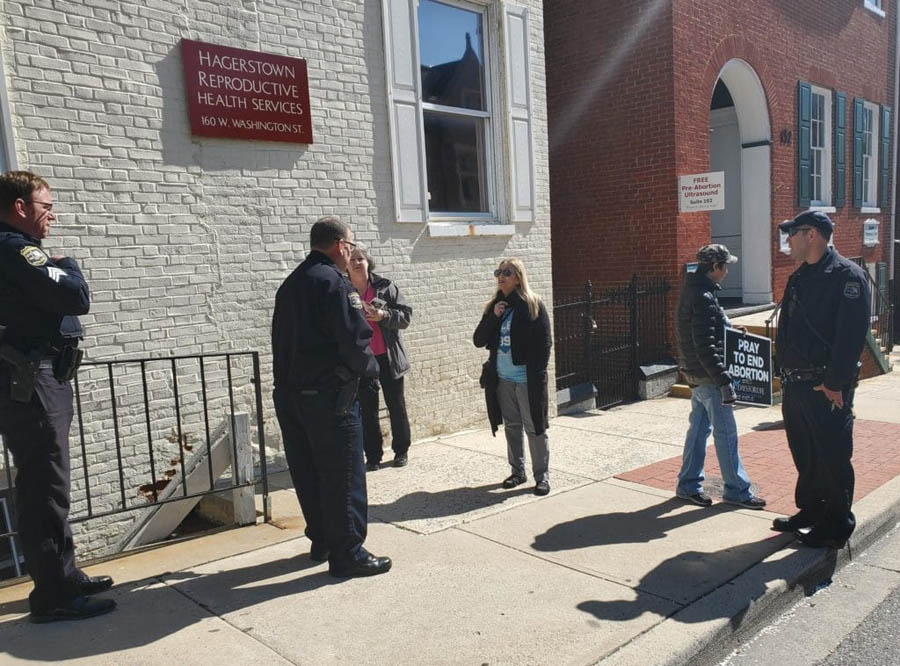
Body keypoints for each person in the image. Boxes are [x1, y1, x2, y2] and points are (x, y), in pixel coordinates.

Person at [0, 170, 116, 622]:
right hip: (31, 379)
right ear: (20, 208)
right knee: (44, 487)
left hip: (40, 377)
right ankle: (53, 596)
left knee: (51, 484)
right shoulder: (16, 249)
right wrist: (69, 266)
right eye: (45, 206)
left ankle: (65, 576)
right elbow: (75, 296)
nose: (52, 214)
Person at [271, 215, 391, 577]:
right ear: (340, 246)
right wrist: (370, 372)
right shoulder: (335, 285)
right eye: (351, 245)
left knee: (308, 471)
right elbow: (355, 341)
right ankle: (348, 552)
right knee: (342, 474)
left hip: (291, 396)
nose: (352, 251)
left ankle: (322, 539)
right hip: (329, 396)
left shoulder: (290, 284)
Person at [774, 210, 870, 549]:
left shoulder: (847, 277)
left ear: (811, 235)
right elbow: (787, 327)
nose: (788, 242)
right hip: (796, 384)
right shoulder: (800, 276)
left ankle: (836, 525)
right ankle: (813, 510)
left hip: (825, 387)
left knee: (832, 456)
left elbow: (851, 338)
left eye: (792, 235)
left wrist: (835, 383)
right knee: (806, 453)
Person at [674, 244, 766, 510]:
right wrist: (724, 381)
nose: (727, 271)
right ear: (715, 267)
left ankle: (688, 484)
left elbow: (705, 334)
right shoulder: (702, 296)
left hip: (695, 375)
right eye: (725, 266)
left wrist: (731, 331)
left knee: (698, 431)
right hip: (709, 377)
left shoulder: (693, 291)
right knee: (726, 435)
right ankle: (737, 490)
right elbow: (705, 344)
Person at [473, 258, 552, 496]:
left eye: (507, 272)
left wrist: (536, 375)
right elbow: (479, 340)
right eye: (498, 271)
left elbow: (545, 343)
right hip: (502, 379)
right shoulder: (495, 306)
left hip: (526, 380)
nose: (501, 276)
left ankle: (542, 476)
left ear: (518, 276)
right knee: (512, 426)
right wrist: (494, 317)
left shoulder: (532, 304)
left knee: (534, 427)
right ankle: (518, 472)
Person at [347, 247, 413, 471]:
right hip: (363, 360)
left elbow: (405, 316)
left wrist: (384, 315)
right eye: (352, 259)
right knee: (367, 409)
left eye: (360, 259)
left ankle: (401, 451)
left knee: (396, 405)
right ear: (346, 265)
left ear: (368, 263)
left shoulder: (384, 287)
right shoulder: (345, 290)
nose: (356, 262)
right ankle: (373, 456)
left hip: (388, 356)